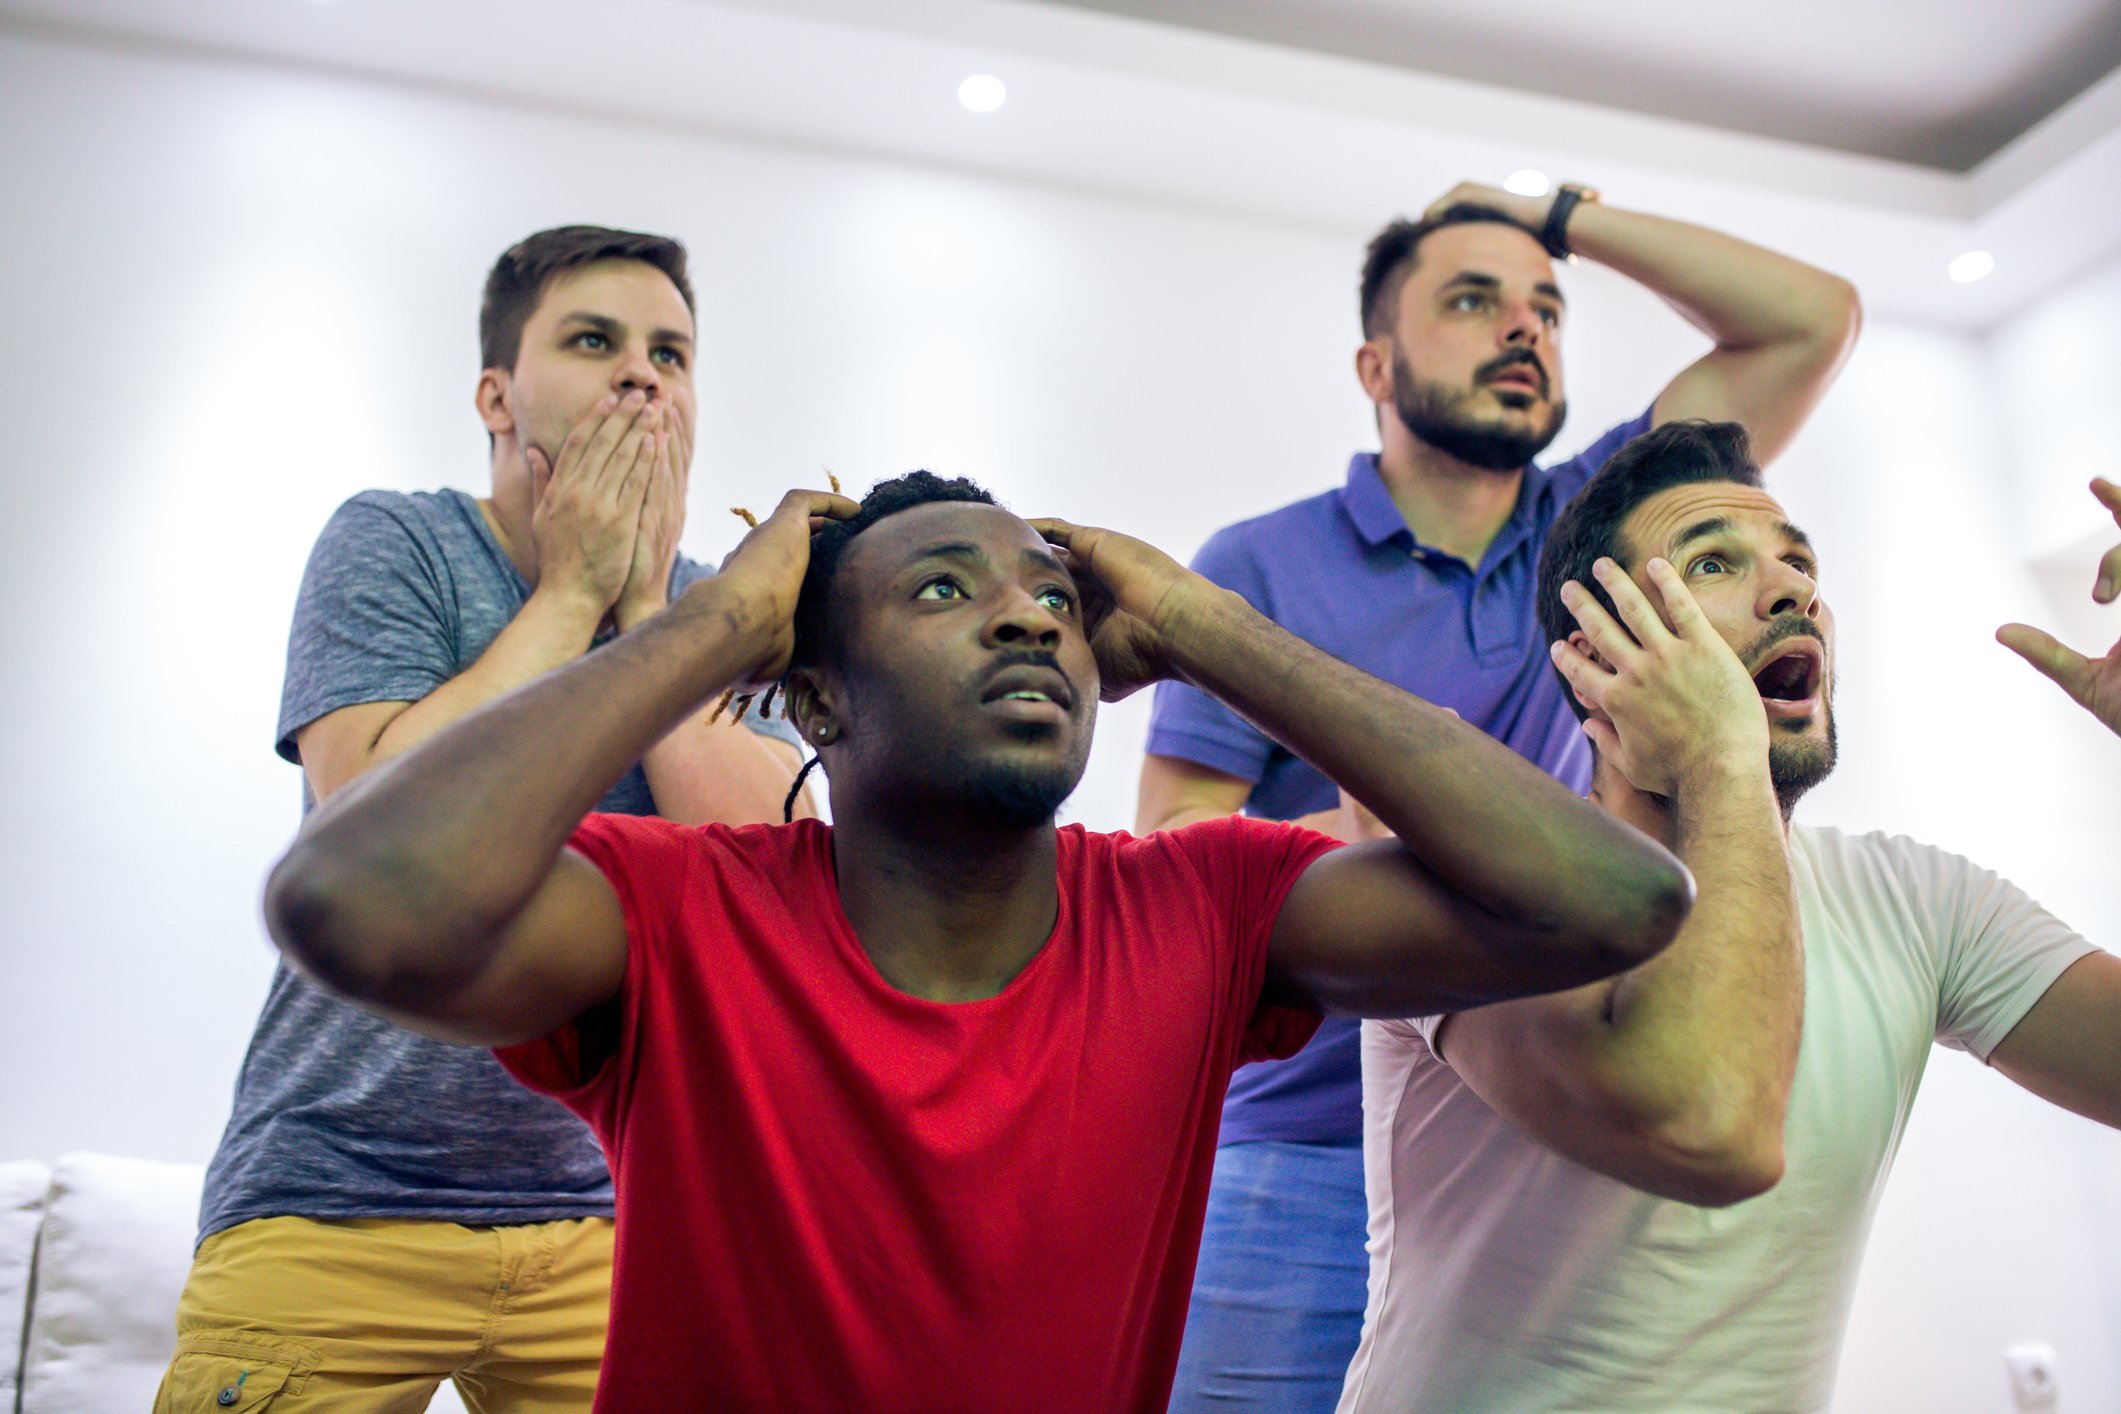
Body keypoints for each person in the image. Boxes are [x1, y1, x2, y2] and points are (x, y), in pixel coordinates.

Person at [258, 471, 1693, 1411]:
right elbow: (350, 900)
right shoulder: (680, 910)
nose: (1022, 618)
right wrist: (717, 621)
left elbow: (1610, 899)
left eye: (1052, 599)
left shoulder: (1200, 906)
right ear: (813, 697)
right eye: (942, 589)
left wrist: (1204, 625)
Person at [1139, 181, 1861, 1409]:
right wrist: (1433, 828)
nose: (1523, 329)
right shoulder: (1256, 563)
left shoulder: (1598, 532)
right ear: (1376, 360)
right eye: (1473, 300)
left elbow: (1812, 318)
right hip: (1295, 1149)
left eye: (1545, 308)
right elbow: (1173, 855)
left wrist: (1558, 211)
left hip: (1546, 1117)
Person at [1339, 423, 2121, 1414]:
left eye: (1801, 564)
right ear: (1594, 658)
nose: (1792, 591)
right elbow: (1702, 1121)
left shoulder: (1923, 904)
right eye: (1714, 561)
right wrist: (1720, 759)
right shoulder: (1483, 877)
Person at [155, 226, 806, 1412]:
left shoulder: (725, 607)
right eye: (594, 340)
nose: (642, 375)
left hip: (618, 1213)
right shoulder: (397, 539)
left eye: (672, 352)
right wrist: (570, 594)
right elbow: (369, 824)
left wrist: (656, 608)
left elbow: (779, 869)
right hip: (333, 1196)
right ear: (495, 396)